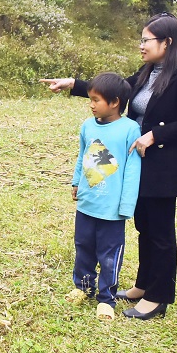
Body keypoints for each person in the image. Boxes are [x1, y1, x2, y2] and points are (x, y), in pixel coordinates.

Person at [41, 12, 177, 320]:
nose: (141, 45)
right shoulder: (147, 73)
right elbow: (116, 90)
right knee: (144, 227)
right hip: (139, 165)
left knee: (160, 232)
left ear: (166, 42)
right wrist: (74, 84)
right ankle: (144, 285)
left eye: (146, 40)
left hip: (164, 168)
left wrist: (155, 135)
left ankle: (158, 298)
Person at [65, 72, 141, 321]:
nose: (91, 104)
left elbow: (132, 169)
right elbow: (82, 156)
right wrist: (76, 182)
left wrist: (126, 204)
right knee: (83, 247)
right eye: (90, 99)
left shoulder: (130, 129)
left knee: (109, 254)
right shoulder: (87, 126)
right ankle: (83, 287)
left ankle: (106, 298)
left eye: (96, 99)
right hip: (87, 204)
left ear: (115, 102)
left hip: (112, 209)